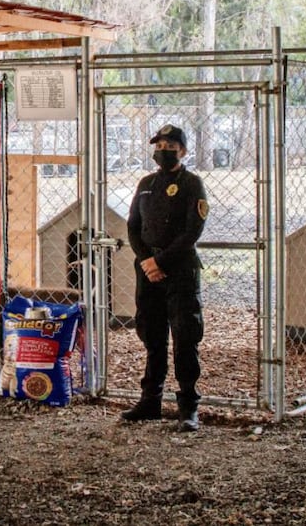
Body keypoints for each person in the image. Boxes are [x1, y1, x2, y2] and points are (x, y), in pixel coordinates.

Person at [122, 124, 209, 432]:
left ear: (183, 151)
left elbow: (192, 231)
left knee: (185, 337)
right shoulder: (146, 183)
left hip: (180, 270)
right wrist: (147, 261)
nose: (163, 150)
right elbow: (133, 226)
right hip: (148, 271)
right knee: (152, 335)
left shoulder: (192, 184)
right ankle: (150, 401)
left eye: (171, 146)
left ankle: (188, 407)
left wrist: (160, 261)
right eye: (159, 145)